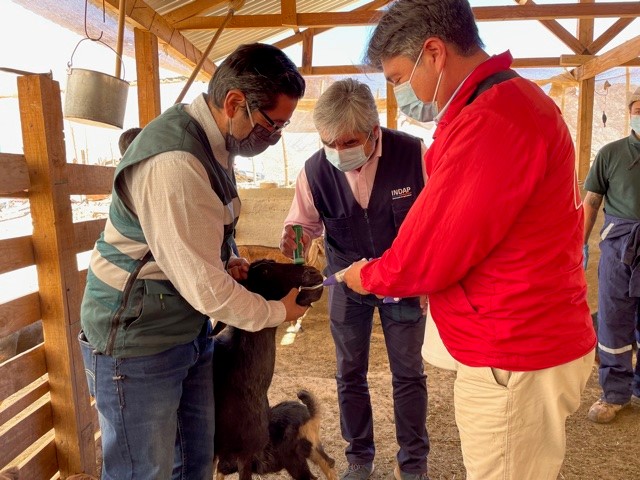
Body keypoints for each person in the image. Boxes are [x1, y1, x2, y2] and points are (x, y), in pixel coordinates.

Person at [341, 1, 596, 479]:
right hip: (514, 337)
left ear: (434, 53)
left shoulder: (492, 120)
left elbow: (432, 248)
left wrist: (369, 275)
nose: (400, 93)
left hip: (512, 347)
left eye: (398, 78)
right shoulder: (501, 105)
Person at [78, 43, 308, 480]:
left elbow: (206, 232)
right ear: (235, 103)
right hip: (138, 338)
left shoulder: (217, 143)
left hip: (184, 327)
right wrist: (278, 312)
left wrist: (228, 257)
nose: (276, 135)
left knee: (195, 462)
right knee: (143, 472)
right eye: (272, 124)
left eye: (283, 125)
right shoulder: (176, 161)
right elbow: (206, 289)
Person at [280, 78, 429, 480]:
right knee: (349, 372)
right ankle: (359, 457)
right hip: (347, 282)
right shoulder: (314, 170)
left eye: (349, 142)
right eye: (329, 143)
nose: (338, 151)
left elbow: (436, 218)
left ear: (373, 131)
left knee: (408, 373)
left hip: (402, 281)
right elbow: (302, 224)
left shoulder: (414, 154)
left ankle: (413, 462)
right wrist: (295, 239)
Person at [582, 86, 640, 424]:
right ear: (630, 112)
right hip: (619, 247)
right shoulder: (611, 153)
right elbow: (591, 203)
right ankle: (614, 394)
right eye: (638, 108)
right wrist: (579, 244)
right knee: (614, 318)